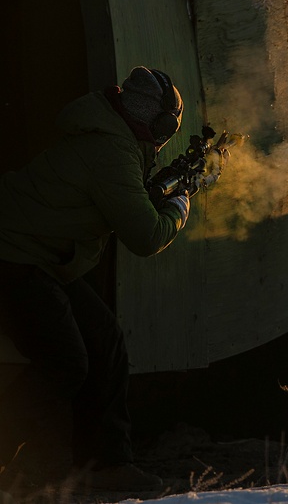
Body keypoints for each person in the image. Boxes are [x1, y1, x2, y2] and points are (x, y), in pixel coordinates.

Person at [0, 67, 198, 493]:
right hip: (15, 255)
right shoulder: (112, 151)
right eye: (167, 125)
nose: (167, 135)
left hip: (42, 257)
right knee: (65, 362)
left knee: (105, 340)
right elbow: (146, 237)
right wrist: (180, 206)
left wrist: (162, 192)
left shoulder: (113, 139)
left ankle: (107, 467)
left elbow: (126, 196)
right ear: (151, 119)